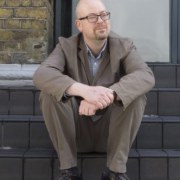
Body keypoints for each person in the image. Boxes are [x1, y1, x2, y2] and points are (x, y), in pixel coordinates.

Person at [33, 0, 155, 179]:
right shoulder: (66, 46)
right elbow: (42, 74)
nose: (101, 20)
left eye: (104, 14)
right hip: (76, 132)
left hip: (110, 134)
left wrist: (109, 95)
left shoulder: (124, 46)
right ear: (79, 24)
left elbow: (145, 75)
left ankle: (115, 172)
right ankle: (69, 171)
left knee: (135, 95)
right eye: (92, 17)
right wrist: (84, 91)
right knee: (50, 94)